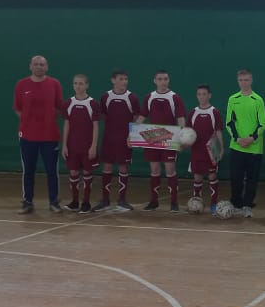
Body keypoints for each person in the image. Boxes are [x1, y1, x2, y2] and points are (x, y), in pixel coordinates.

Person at [12, 54, 64, 214]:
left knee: (52, 171)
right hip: (28, 137)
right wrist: (28, 121)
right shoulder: (21, 85)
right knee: (28, 171)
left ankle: (54, 202)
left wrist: (47, 119)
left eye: (42, 64)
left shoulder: (55, 84)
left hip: (50, 136)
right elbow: (17, 108)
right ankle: (27, 202)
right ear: (30, 66)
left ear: (46, 67)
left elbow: (59, 107)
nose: (39, 67)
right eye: (36, 64)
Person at [94, 70, 142, 212]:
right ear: (113, 80)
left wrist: (131, 136)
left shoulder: (132, 98)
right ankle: (105, 200)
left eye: (126, 79)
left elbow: (137, 118)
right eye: (121, 79)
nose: (124, 81)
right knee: (107, 167)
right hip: (108, 139)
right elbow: (103, 115)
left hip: (124, 140)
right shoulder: (106, 97)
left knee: (123, 167)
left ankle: (122, 200)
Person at [142, 70, 187, 212]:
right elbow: (142, 117)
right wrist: (131, 135)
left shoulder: (175, 98)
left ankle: (174, 202)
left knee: (170, 170)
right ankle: (154, 202)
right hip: (152, 138)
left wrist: (181, 139)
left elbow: (181, 120)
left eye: (165, 79)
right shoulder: (149, 97)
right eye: (160, 79)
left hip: (169, 138)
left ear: (169, 80)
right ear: (155, 81)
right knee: (154, 170)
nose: (163, 81)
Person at [225, 69, 265, 218]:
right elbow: (229, 122)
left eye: (246, 80)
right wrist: (237, 139)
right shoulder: (233, 99)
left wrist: (251, 138)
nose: (244, 83)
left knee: (252, 179)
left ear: (251, 80)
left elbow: (262, 123)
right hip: (237, 146)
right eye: (241, 80)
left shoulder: (258, 100)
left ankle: (247, 205)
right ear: (238, 81)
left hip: (254, 148)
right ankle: (236, 204)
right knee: (236, 178)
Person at [61, 73, 102, 214]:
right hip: (72, 146)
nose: (78, 86)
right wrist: (64, 145)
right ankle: (74, 202)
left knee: (87, 173)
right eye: (75, 83)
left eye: (81, 83)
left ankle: (86, 203)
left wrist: (93, 146)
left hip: (87, 146)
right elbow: (66, 125)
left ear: (87, 85)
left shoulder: (93, 104)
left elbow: (96, 127)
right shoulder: (68, 103)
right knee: (73, 172)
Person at [188, 84, 224, 214]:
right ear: (196, 96)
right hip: (196, 151)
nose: (201, 97)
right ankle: (196, 204)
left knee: (212, 176)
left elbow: (218, 131)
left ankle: (214, 205)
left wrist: (221, 148)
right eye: (199, 94)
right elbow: (187, 132)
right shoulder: (193, 113)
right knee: (197, 177)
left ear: (209, 95)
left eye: (204, 94)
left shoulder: (214, 112)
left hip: (210, 152)